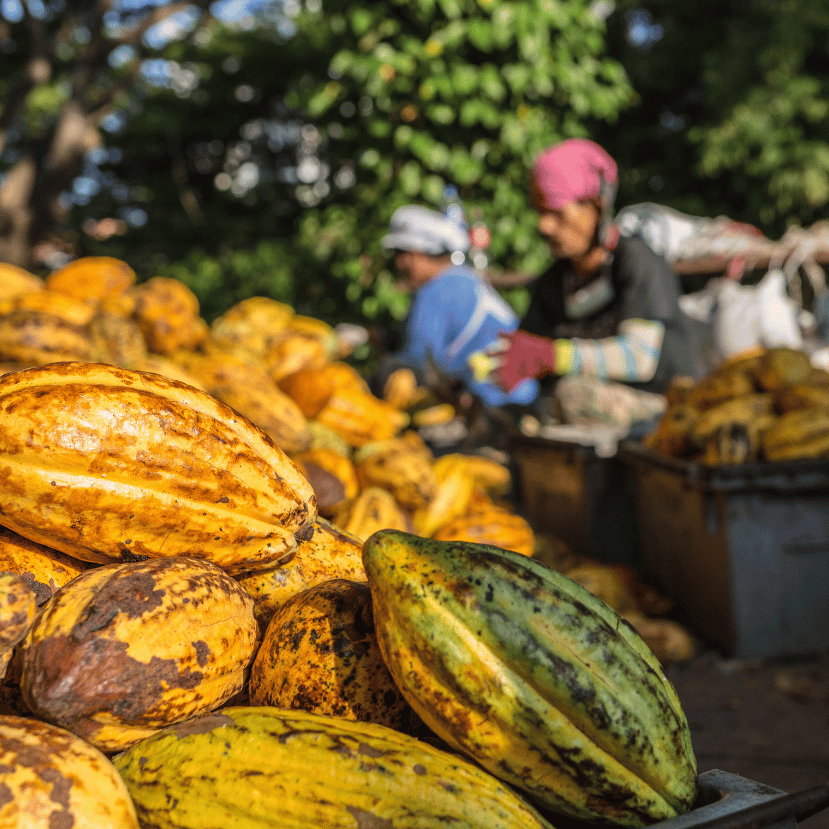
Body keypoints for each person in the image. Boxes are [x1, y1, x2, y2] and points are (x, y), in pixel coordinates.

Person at [490, 138, 704, 424]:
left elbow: (640, 358)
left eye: (556, 212)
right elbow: (529, 345)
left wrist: (555, 357)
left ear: (597, 205)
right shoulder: (554, 282)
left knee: (571, 394)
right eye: (540, 213)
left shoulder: (638, 262)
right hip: (588, 417)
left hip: (666, 408)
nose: (544, 226)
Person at [377, 204, 537, 409]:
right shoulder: (462, 279)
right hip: (522, 397)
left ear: (417, 252)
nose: (399, 264)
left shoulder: (436, 291)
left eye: (401, 254)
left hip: (497, 404)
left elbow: (415, 362)